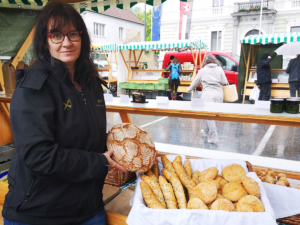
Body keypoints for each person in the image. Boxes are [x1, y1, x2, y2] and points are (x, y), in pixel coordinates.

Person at [3, 2, 126, 225]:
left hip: (89, 209)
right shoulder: (33, 87)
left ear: (82, 38)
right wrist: (99, 162)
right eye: (56, 35)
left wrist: (124, 151)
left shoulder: (90, 83)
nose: (66, 43)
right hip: (41, 213)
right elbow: (38, 155)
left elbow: (91, 138)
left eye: (72, 34)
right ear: (45, 40)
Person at [187, 54, 227, 144]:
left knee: (209, 116)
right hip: (219, 94)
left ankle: (214, 137)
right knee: (209, 115)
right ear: (214, 60)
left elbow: (195, 82)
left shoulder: (202, 70)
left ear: (204, 61)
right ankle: (205, 132)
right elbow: (224, 81)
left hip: (208, 94)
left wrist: (189, 90)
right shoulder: (219, 69)